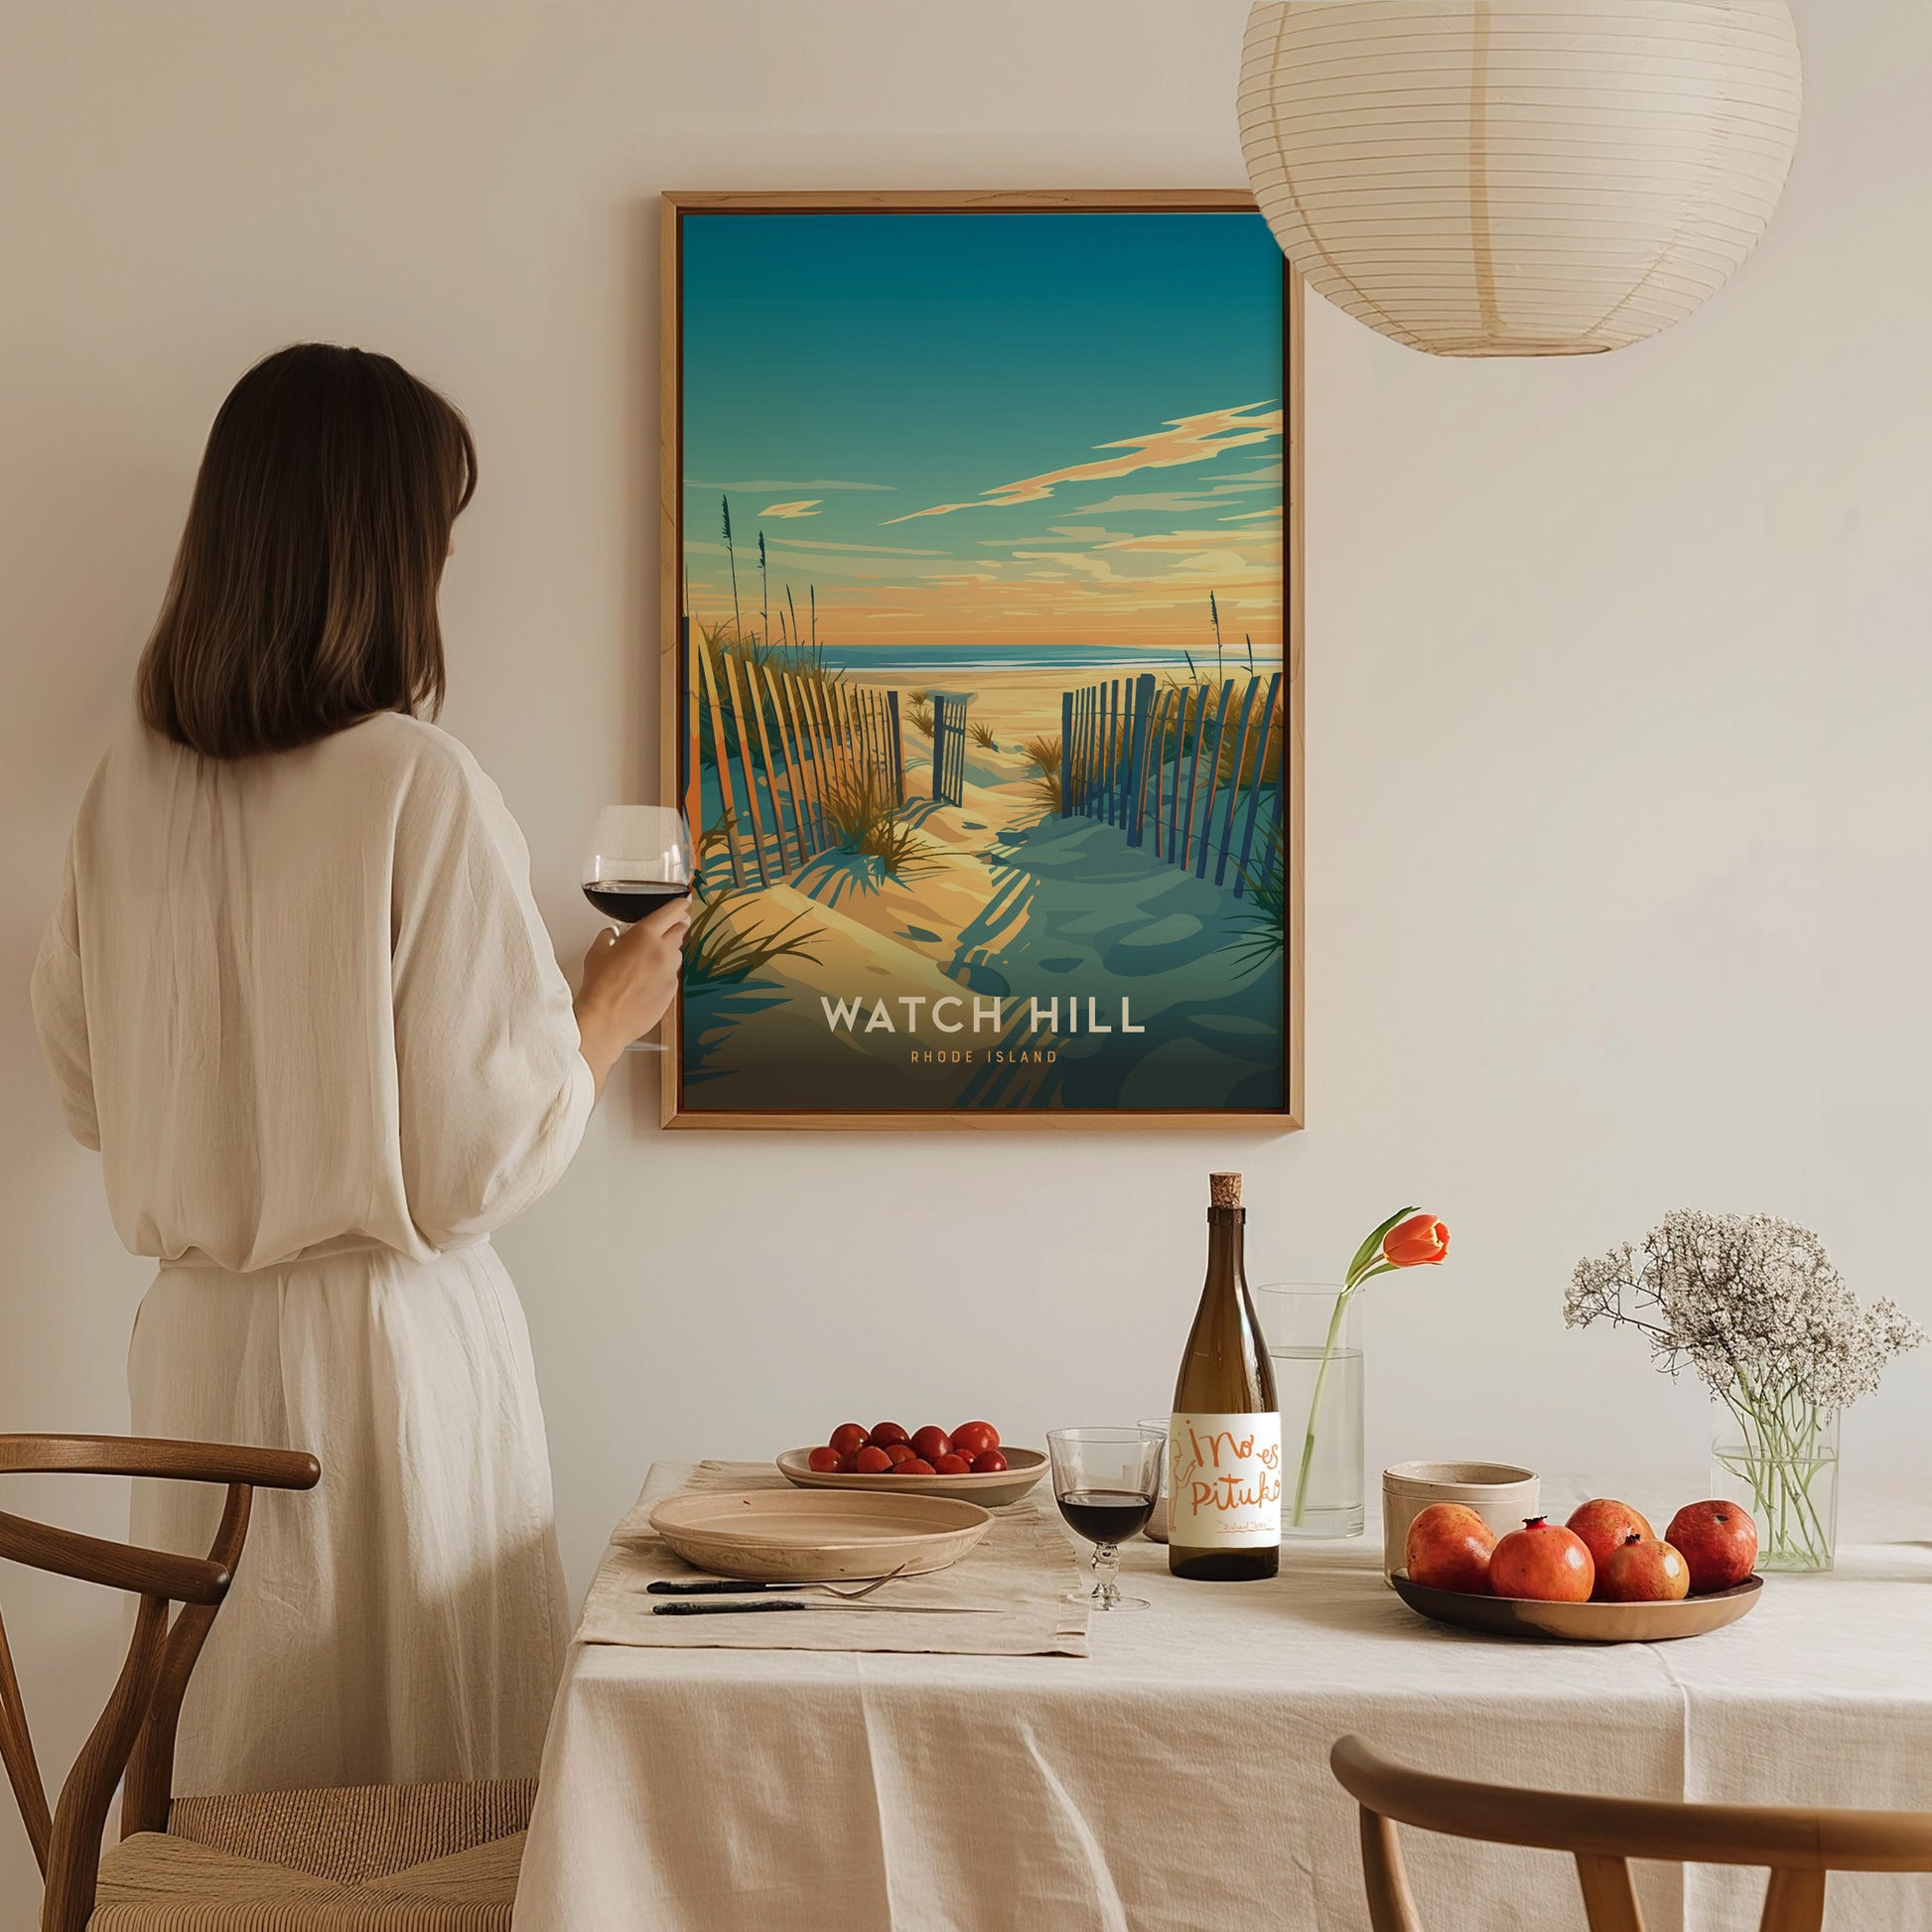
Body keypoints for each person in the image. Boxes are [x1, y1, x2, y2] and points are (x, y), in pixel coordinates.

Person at [29, 343, 685, 1793]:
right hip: (388, 1364)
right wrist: (602, 1012)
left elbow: (87, 1092)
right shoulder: (414, 780)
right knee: (421, 1800)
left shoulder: (121, 792)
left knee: (239, 1781)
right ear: (384, 552)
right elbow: (471, 1164)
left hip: (196, 1352)